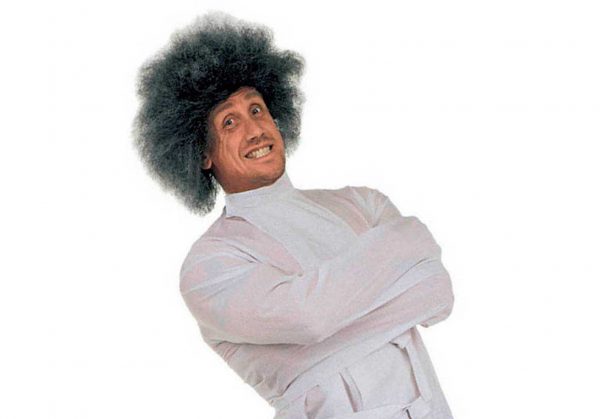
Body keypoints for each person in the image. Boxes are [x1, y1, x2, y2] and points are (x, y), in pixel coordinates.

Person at [132, 12, 455, 419]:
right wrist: (388, 287)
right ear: (202, 153)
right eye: (230, 122)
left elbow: (437, 292)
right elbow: (309, 319)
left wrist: (320, 345)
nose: (254, 130)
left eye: (257, 109)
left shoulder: (362, 202)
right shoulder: (209, 265)